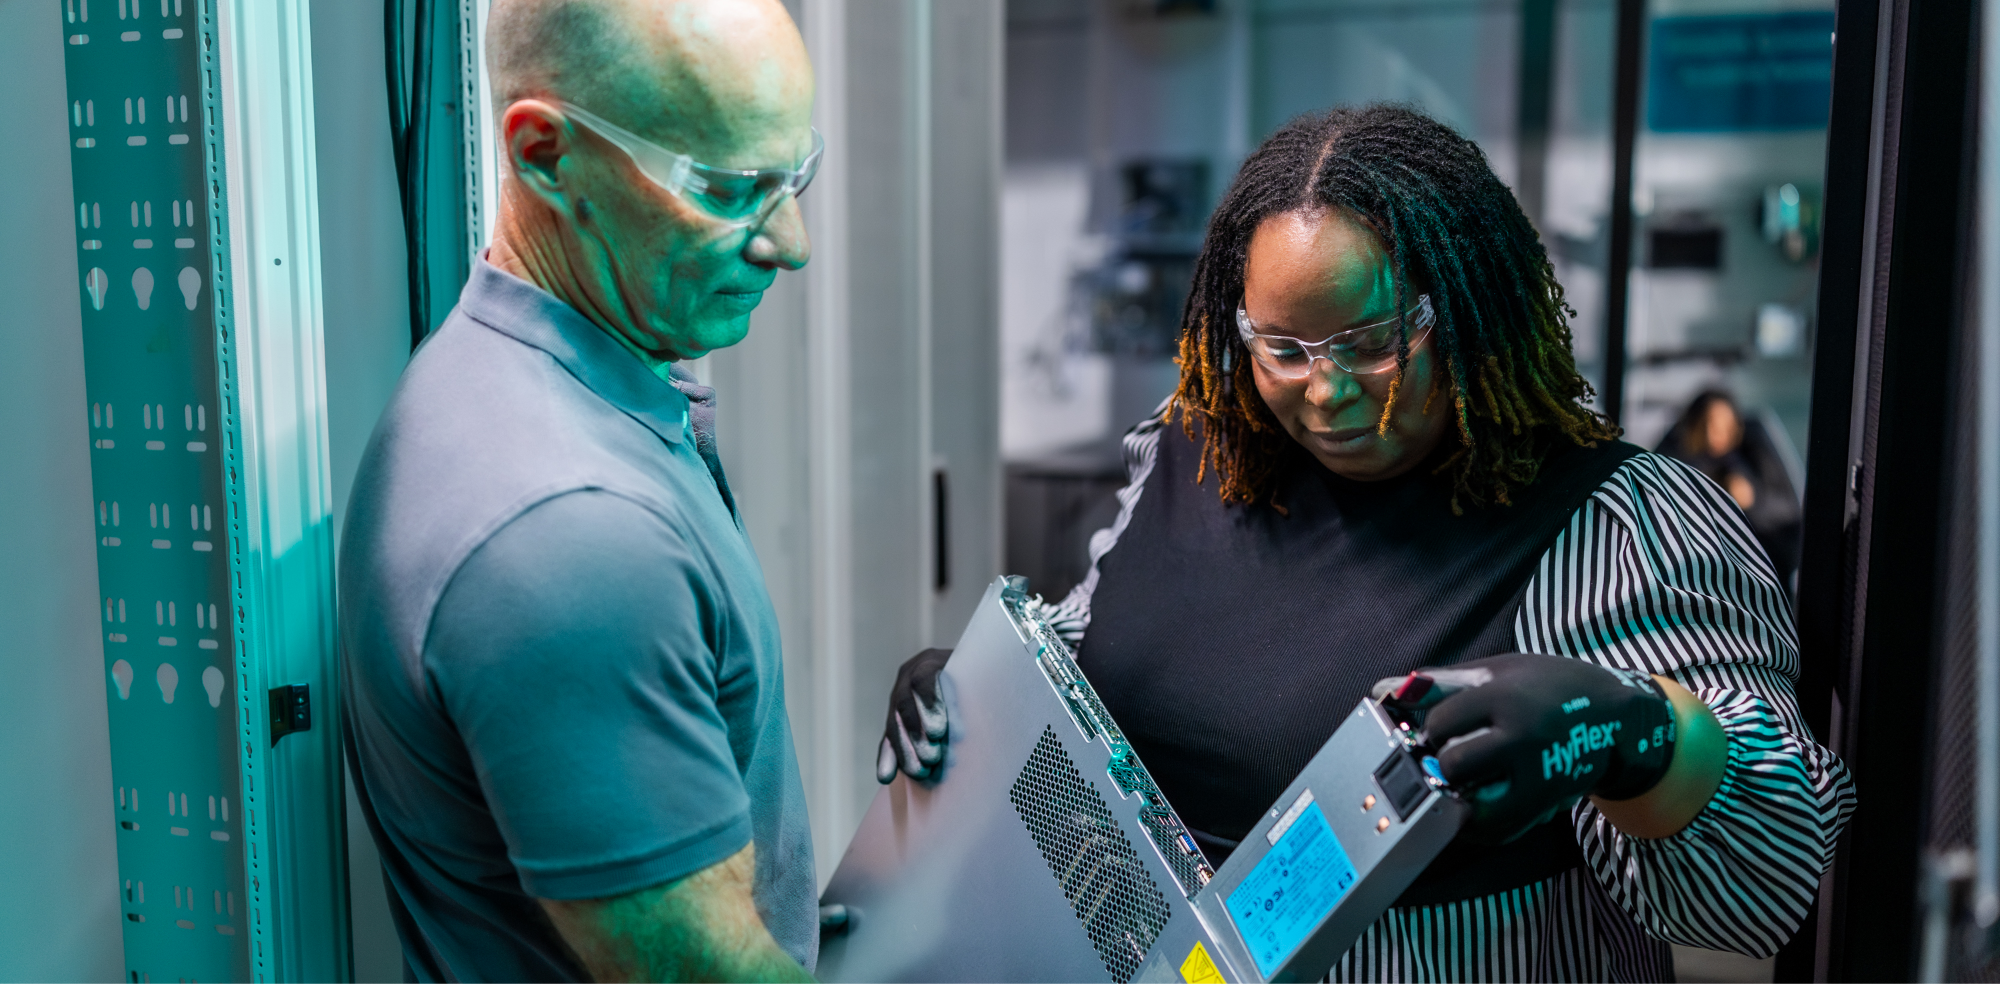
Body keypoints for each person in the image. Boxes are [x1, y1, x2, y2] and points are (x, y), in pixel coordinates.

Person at [878, 105, 1854, 980]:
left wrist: (1639, 735)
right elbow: (1107, 659)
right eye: (1284, 349)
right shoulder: (1192, 450)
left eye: (1371, 341)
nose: (1327, 391)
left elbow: (1759, 891)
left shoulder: (1617, 525)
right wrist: (990, 690)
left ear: (1470, 310)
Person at [339, 1, 822, 981]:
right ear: (545, 154)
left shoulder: (511, 368)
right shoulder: (570, 537)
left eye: (795, 175)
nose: (790, 242)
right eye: (730, 190)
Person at [1658, 390, 1803, 592]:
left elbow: (1790, 511)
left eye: (1728, 426)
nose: (1720, 434)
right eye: (1711, 425)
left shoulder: (1752, 450)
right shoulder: (1672, 459)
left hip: (1758, 574)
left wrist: (1753, 499)